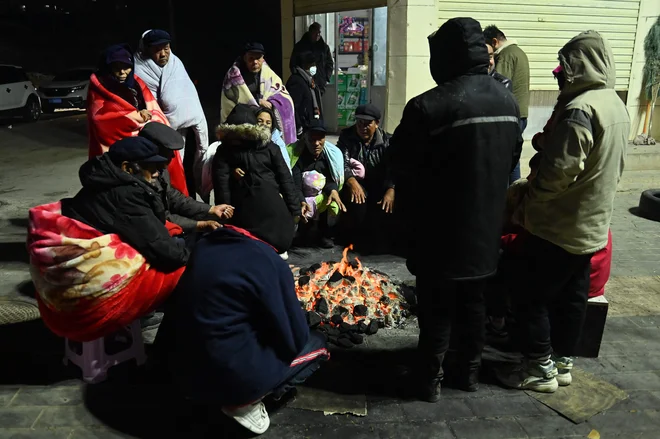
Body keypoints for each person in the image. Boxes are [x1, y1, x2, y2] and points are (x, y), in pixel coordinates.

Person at [389, 17, 522, 401]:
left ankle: (429, 381)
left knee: (436, 308)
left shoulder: (428, 106)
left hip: (438, 233)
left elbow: (400, 164)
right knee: (474, 304)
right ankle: (467, 374)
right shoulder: (507, 100)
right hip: (485, 233)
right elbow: (511, 158)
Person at [497, 31, 628, 393]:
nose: (559, 77)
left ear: (578, 67)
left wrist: (528, 198)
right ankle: (561, 362)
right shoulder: (613, 104)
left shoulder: (580, 110)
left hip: (557, 225)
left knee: (531, 297)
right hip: (591, 225)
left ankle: (539, 369)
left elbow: (557, 174)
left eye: (563, 70)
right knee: (573, 298)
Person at [155, 211, 329, 435]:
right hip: (228, 378)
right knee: (318, 344)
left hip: (181, 368)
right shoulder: (270, 262)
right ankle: (245, 403)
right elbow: (295, 339)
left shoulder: (204, 244)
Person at [61, 137, 190, 273]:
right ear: (127, 168)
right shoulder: (125, 194)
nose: (157, 173)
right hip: (87, 259)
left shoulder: (109, 178)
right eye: (151, 169)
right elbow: (161, 248)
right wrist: (192, 258)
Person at [87, 44, 188, 196]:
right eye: (116, 67)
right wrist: (136, 117)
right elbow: (100, 118)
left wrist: (147, 118)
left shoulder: (136, 82)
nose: (122, 72)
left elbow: (154, 109)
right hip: (123, 147)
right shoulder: (99, 87)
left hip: (146, 140)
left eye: (126, 67)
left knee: (163, 174)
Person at [212, 104, 300, 254]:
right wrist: (226, 213)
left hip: (268, 215)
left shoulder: (270, 148)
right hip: (254, 215)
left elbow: (285, 178)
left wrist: (295, 208)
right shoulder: (226, 152)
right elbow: (222, 184)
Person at [134, 29, 210, 200]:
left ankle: (192, 202)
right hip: (165, 132)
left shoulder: (176, 63)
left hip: (191, 128)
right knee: (170, 173)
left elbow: (188, 94)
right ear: (146, 50)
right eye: (157, 49)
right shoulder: (139, 71)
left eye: (166, 48)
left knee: (191, 168)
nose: (163, 54)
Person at [138, 122, 234, 242]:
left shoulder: (160, 170)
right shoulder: (141, 178)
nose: (173, 156)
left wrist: (211, 209)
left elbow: (173, 197)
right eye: (168, 152)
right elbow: (162, 217)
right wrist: (199, 225)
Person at [336, 104, 395, 248]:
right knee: (357, 201)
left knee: (387, 205)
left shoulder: (388, 141)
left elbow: (394, 167)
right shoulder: (346, 137)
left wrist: (391, 189)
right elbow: (340, 163)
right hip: (358, 182)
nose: (362, 127)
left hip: (380, 184)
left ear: (377, 123)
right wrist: (351, 181)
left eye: (368, 123)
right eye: (359, 122)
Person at [221, 43, 296, 145]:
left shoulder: (269, 74)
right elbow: (231, 102)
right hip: (245, 126)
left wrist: (272, 103)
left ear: (263, 58)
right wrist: (257, 101)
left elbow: (282, 94)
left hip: (267, 124)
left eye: (258, 58)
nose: (255, 62)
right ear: (245, 58)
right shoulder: (234, 77)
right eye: (251, 58)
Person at [288, 120, 346, 249]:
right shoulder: (297, 156)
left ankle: (324, 234)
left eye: (320, 139)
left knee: (331, 201)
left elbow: (331, 179)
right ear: (305, 138)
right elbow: (294, 184)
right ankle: (302, 232)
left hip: (321, 196)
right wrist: (302, 201)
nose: (316, 144)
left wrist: (333, 190)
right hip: (302, 195)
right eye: (312, 139)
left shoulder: (329, 156)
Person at [483, 25, 530, 183]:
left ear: (494, 42)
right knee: (512, 156)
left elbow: (497, 85)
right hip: (521, 112)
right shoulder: (519, 52)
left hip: (510, 114)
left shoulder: (505, 55)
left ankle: (510, 193)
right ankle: (513, 191)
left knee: (506, 158)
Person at [290, 22, 334, 96]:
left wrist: (325, 78)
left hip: (319, 82)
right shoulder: (300, 47)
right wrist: (298, 78)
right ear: (310, 32)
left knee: (318, 103)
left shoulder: (324, 47)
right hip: (304, 82)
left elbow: (329, 63)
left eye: (319, 32)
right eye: (315, 32)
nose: (317, 35)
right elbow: (293, 64)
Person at [286, 51, 323, 135]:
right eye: (311, 64)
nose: (314, 67)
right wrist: (298, 126)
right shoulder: (296, 81)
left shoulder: (309, 80)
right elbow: (293, 106)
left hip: (310, 125)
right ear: (304, 65)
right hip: (303, 128)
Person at [256, 106, 291, 173]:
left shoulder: (277, 142)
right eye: (260, 121)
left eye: (268, 123)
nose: (264, 124)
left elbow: (286, 169)